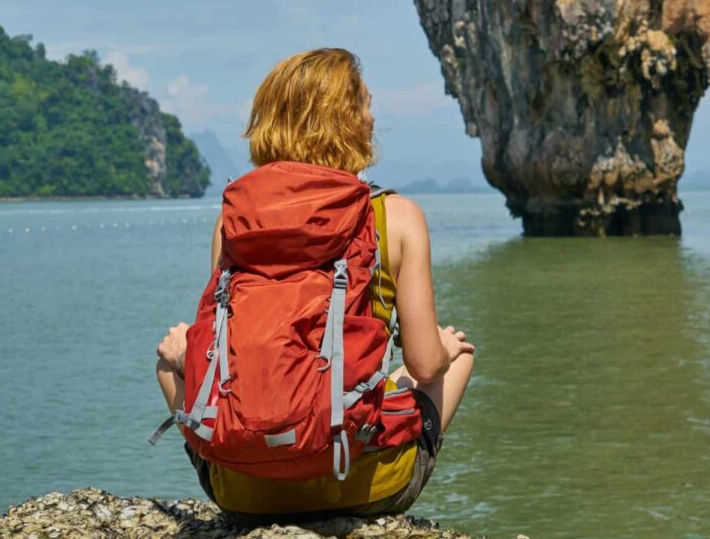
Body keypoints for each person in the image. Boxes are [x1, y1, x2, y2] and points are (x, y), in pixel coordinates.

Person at [154, 48, 475, 523]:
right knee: (457, 356)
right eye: (365, 104)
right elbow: (425, 366)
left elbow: (217, 355)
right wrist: (445, 348)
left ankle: (244, 474)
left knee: (167, 360)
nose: (373, 115)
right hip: (363, 484)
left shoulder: (233, 221)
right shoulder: (396, 216)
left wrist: (182, 354)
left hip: (244, 495)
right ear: (347, 120)